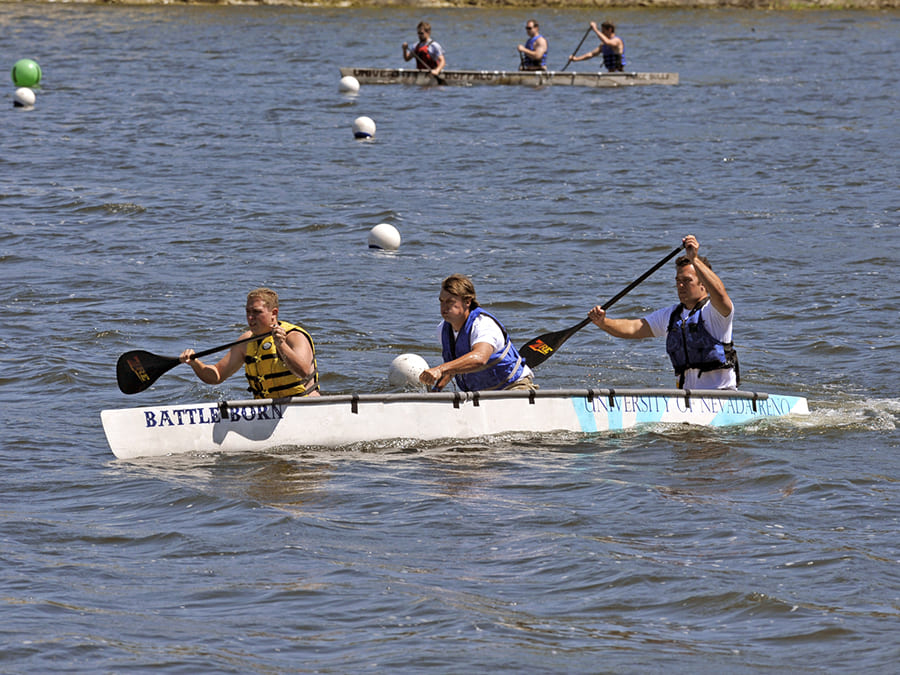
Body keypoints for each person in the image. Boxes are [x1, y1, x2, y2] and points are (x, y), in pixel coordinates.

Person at [587, 236, 739, 390]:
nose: (680, 285)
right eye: (677, 280)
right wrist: (603, 322)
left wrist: (694, 259)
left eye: (687, 281)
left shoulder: (716, 313)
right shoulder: (671, 315)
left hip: (722, 396)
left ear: (703, 284)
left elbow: (720, 294)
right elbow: (633, 328)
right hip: (687, 399)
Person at [179, 288, 320, 399]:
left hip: (303, 406)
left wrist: (281, 345)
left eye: (257, 312)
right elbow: (217, 375)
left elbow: (303, 372)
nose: (250, 318)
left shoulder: (294, 336)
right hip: (268, 411)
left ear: (274, 313)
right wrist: (195, 363)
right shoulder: (245, 342)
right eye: (248, 312)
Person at [419, 274, 536, 392]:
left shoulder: (483, 324)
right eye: (441, 301)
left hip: (513, 387)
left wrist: (440, 369)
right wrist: (436, 391)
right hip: (479, 395)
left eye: (450, 301)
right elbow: (454, 366)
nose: (443, 307)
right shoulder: (443, 330)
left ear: (467, 302)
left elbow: (480, 358)